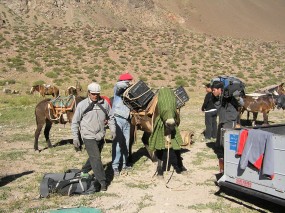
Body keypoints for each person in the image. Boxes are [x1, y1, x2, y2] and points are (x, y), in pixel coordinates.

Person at [71, 82, 116, 191]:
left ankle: (84, 171)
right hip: (88, 135)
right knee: (96, 158)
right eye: (93, 94)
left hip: (100, 135)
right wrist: (75, 137)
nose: (95, 96)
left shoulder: (104, 103)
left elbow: (111, 117)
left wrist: (113, 130)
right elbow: (75, 122)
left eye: (97, 93)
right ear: (88, 93)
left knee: (94, 157)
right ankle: (102, 182)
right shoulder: (82, 105)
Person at [111, 72, 134, 176]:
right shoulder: (118, 89)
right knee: (117, 144)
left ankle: (125, 163)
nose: (129, 83)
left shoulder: (129, 93)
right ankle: (115, 166)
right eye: (128, 81)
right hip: (117, 118)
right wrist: (128, 84)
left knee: (126, 143)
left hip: (127, 119)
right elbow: (119, 85)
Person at [211, 81, 244, 150]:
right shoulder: (219, 96)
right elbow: (218, 107)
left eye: (214, 90)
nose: (213, 92)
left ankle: (227, 155)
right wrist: (215, 99)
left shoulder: (230, 95)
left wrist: (237, 97)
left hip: (230, 119)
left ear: (219, 89)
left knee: (227, 138)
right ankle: (221, 151)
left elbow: (241, 104)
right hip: (222, 119)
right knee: (221, 137)